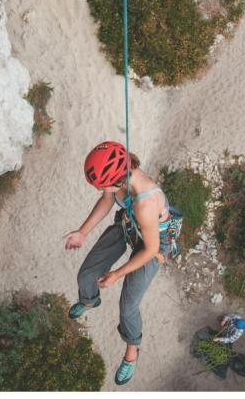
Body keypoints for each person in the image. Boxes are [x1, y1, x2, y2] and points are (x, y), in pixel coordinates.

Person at [63, 141, 177, 386]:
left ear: (118, 180)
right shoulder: (118, 175)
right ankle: (88, 300)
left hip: (151, 245)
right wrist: (82, 232)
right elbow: (107, 198)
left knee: (128, 306)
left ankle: (132, 350)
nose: (100, 190)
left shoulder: (146, 202)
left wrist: (117, 273)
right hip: (129, 225)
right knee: (86, 274)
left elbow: (150, 249)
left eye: (102, 185)